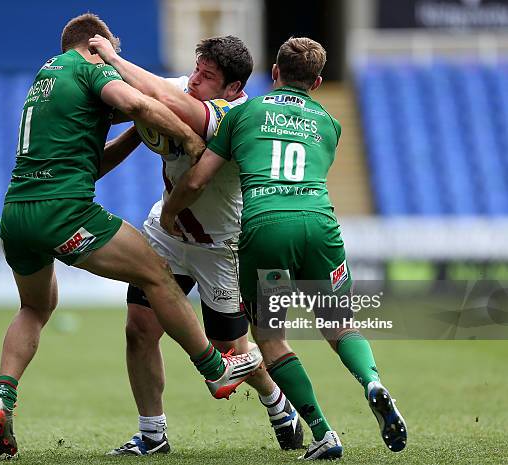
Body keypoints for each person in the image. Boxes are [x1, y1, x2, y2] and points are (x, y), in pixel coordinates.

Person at [0, 13, 263, 457]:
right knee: (156, 273)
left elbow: (90, 163)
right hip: (64, 214)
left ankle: (2, 398)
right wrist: (190, 144)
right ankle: (215, 369)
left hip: (16, 214)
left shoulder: (47, 78)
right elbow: (141, 104)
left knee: (35, 307)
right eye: (111, 48)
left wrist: (136, 136)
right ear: (96, 45)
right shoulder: (90, 67)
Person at [160, 37, 408, 460]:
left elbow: (199, 179)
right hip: (320, 224)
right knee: (339, 323)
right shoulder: (330, 124)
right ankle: (371, 381)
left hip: (265, 226)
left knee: (271, 338)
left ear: (274, 73)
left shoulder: (246, 112)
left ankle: (323, 433)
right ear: (316, 81)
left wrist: (170, 213)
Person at [88, 34, 304, 455]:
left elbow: (155, 96)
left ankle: (276, 401)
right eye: (196, 70)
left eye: (207, 78)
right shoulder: (182, 86)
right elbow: (128, 99)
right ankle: (152, 434)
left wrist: (114, 56)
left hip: (219, 247)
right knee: (139, 329)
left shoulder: (233, 117)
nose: (195, 82)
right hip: (166, 235)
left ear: (233, 90)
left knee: (230, 354)